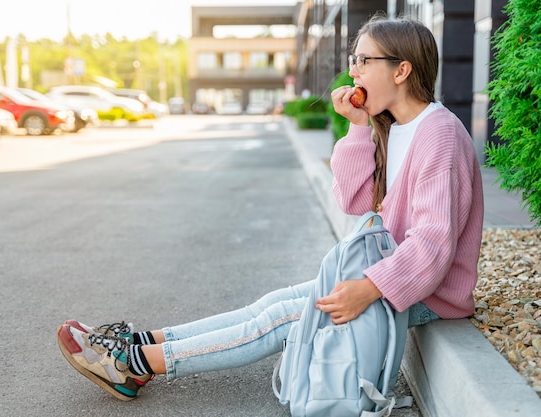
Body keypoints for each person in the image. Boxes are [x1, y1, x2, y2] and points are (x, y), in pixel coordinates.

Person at [56, 14, 484, 402]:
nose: (353, 71)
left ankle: (131, 367)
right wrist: (358, 132)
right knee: (271, 304)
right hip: (390, 271)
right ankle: (140, 344)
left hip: (430, 293)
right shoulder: (395, 127)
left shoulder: (439, 136)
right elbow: (352, 200)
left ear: (401, 69)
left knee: (278, 318)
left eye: (363, 60)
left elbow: (432, 245)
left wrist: (368, 289)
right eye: (354, 60)